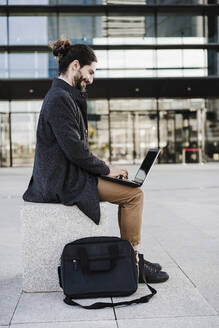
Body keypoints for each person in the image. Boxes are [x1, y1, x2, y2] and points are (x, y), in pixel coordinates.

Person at [23, 39, 169, 283]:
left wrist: (104, 170)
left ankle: (130, 258)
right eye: (90, 72)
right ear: (75, 66)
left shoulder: (64, 95)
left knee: (130, 189)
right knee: (134, 196)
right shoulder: (59, 98)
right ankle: (131, 262)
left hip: (66, 174)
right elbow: (75, 151)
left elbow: (75, 149)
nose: (91, 78)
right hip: (62, 181)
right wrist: (106, 169)